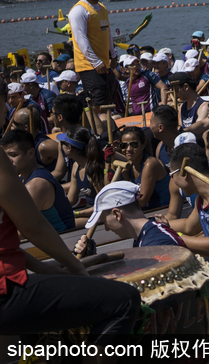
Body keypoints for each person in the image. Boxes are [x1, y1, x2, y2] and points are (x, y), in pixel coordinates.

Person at [0, 140, 141, 339]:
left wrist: (42, 267)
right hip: (4, 290)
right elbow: (33, 227)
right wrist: (76, 267)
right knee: (125, 300)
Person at [74, 182, 185, 257]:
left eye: (104, 222)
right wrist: (92, 258)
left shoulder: (156, 243)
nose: (106, 228)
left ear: (116, 214)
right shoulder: (146, 236)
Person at [0, 130, 76, 233]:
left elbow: (22, 230)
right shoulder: (24, 177)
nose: (8, 160)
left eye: (13, 155)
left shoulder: (36, 184)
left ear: (31, 153)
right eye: (6, 156)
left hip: (61, 239)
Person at [68, 0, 119, 118]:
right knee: (97, 103)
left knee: (108, 100)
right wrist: (96, 62)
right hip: (89, 65)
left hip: (104, 63)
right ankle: (97, 132)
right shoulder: (79, 10)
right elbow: (80, 39)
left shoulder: (102, 8)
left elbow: (107, 33)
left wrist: (113, 55)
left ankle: (107, 129)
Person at [59, 126, 104, 209]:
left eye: (62, 143)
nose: (60, 146)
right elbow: (71, 199)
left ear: (69, 148)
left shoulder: (92, 169)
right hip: (89, 210)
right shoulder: (76, 166)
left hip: (99, 212)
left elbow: (103, 204)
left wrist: (77, 214)